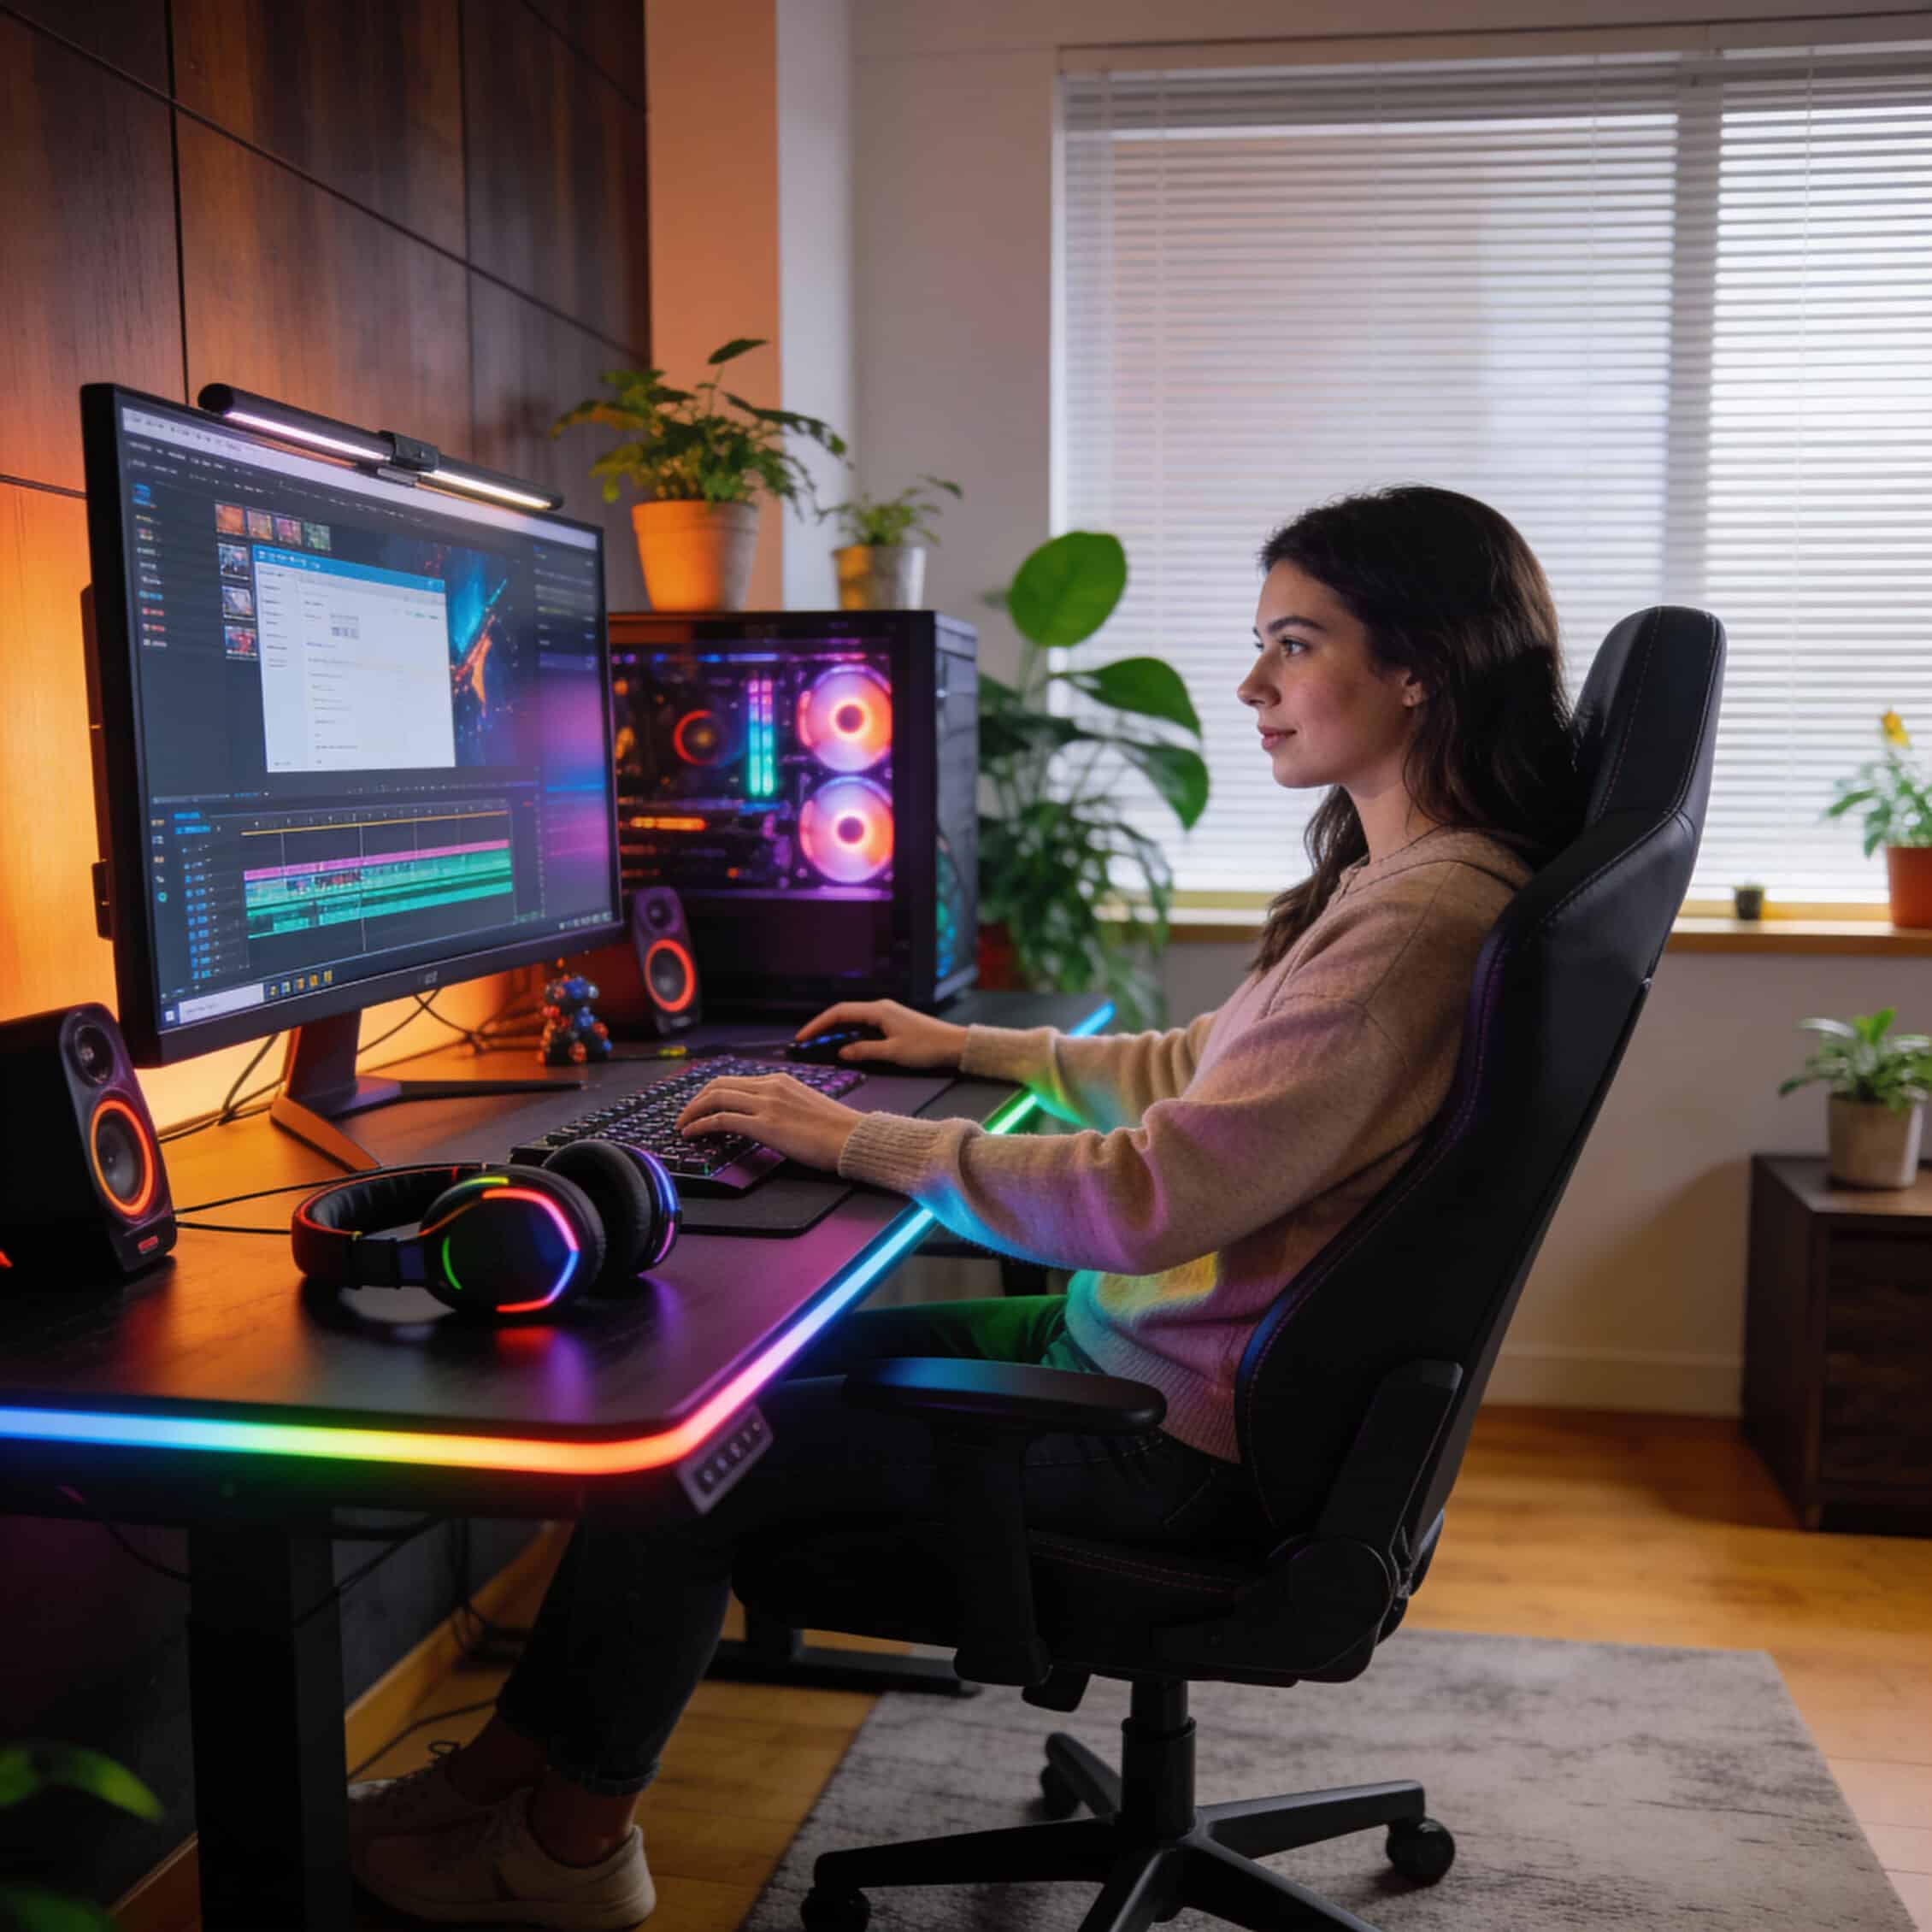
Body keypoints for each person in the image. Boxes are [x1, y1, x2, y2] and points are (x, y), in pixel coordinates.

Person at [346, 485, 1585, 1926]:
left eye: (1295, 645)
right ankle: (507, 1775)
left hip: (1173, 1444)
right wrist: (967, 1051)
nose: (1252, 684)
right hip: (1176, 1372)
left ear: (1421, 664)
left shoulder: (1420, 923)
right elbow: (1204, 1074)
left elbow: (1147, 1200)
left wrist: (849, 1139)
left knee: (692, 1448)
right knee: (738, 1379)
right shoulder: (1408, 883)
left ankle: (566, 1848)